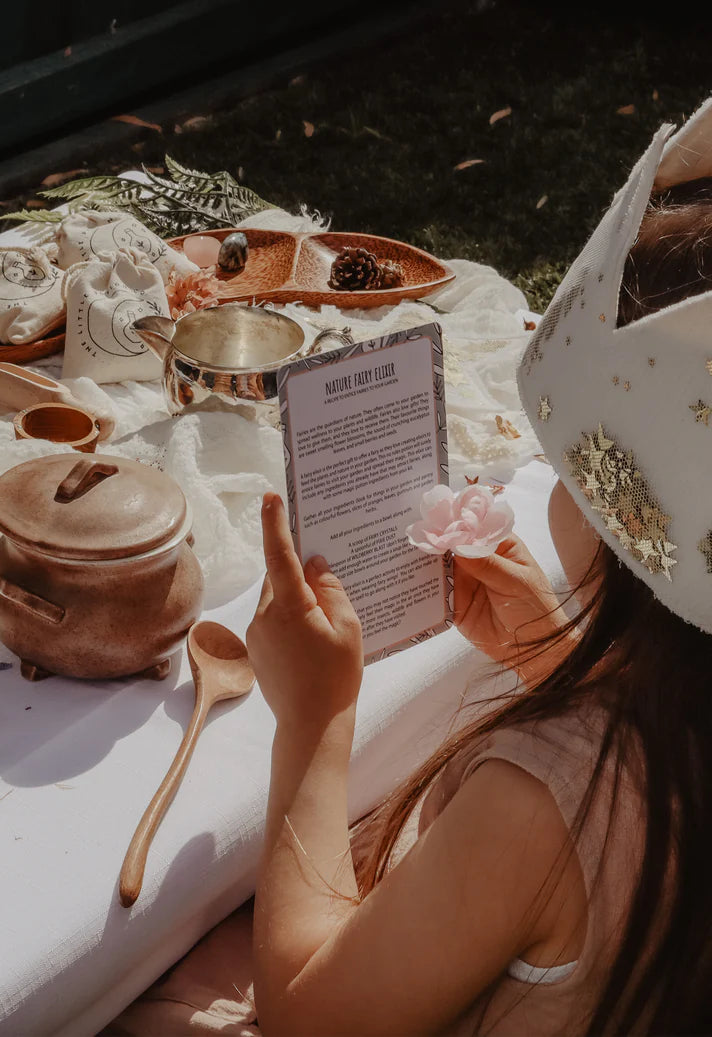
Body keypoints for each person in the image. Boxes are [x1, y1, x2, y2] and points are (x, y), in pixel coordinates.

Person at [107, 98, 712, 1035]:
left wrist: (315, 722)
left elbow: (309, 1016)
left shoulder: (540, 801)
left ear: (637, 520)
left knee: (127, 992)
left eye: (563, 462)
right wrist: (555, 653)